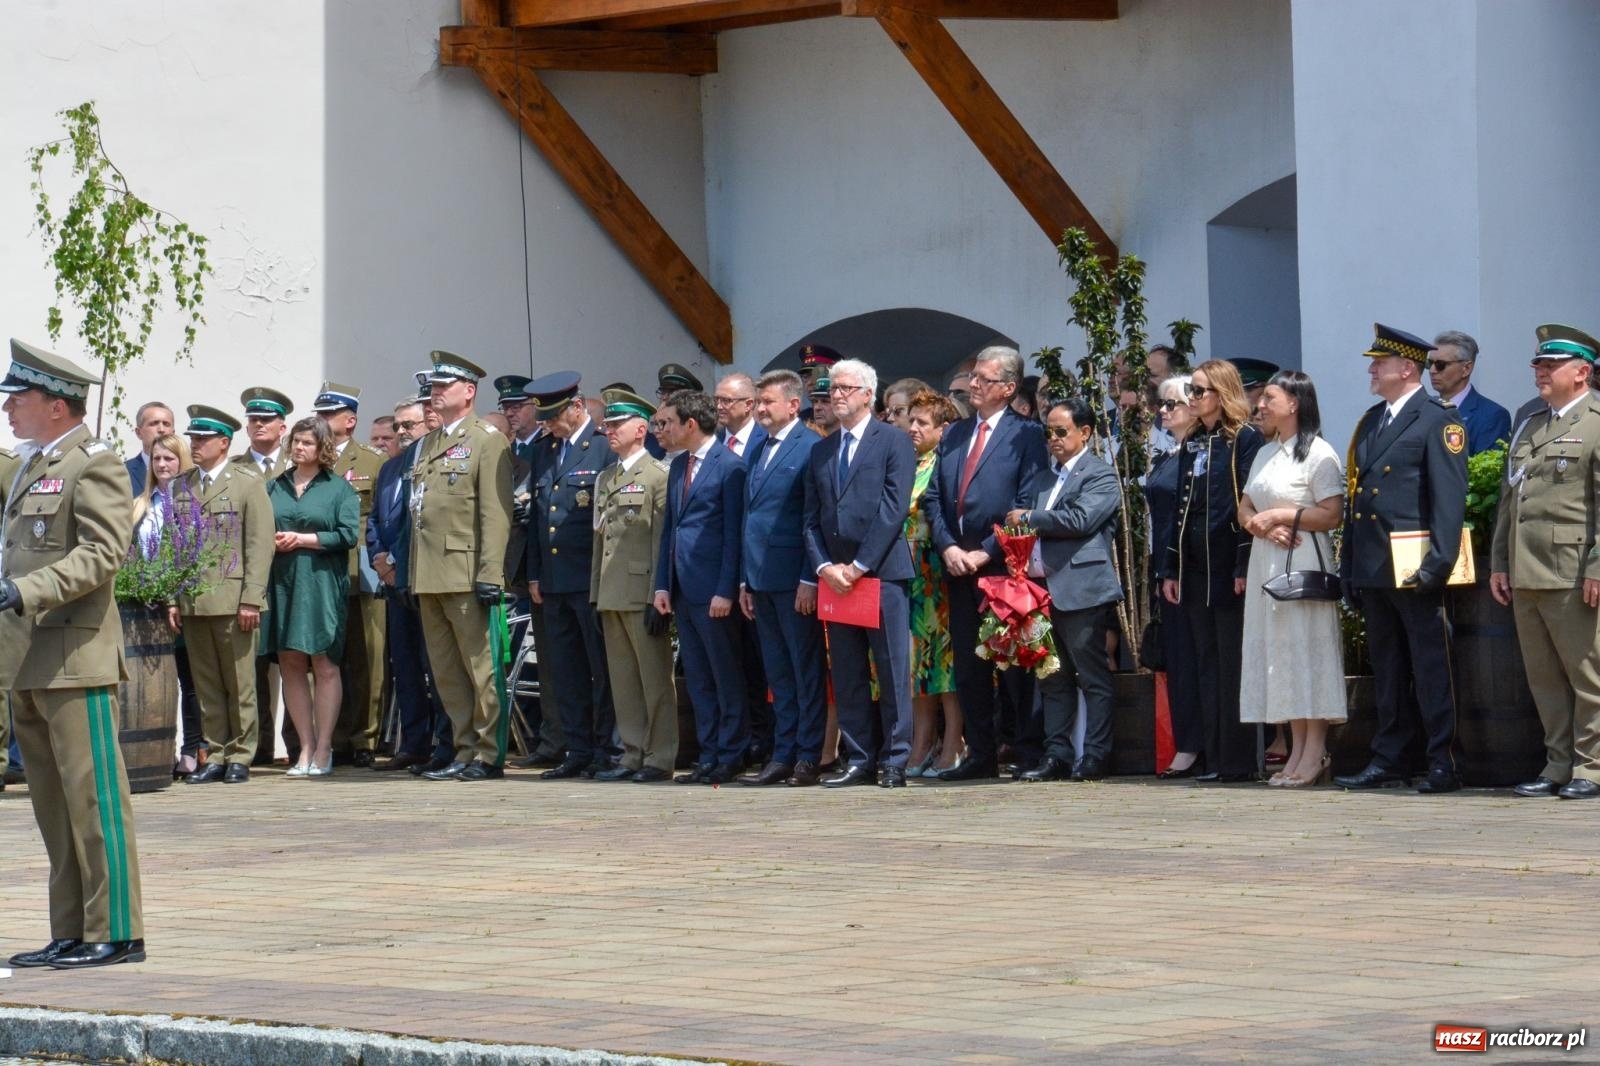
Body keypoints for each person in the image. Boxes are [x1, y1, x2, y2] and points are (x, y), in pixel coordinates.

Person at [1, 338, 144, 969]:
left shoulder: (95, 465)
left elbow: (103, 553)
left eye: (19, 398)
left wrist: (24, 590)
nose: (8, 409)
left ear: (56, 405)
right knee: (53, 807)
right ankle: (71, 929)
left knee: (94, 801)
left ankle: (118, 930)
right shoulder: (31, 465)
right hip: (29, 658)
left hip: (74, 657)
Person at [1334, 324, 1469, 795]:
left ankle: (1443, 761)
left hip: (1416, 567)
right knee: (1388, 669)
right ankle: (1390, 758)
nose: (1371, 371)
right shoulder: (1372, 420)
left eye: (1380, 363)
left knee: (1432, 669)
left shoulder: (1438, 420)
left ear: (1406, 368)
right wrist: (1350, 566)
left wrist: (1439, 563)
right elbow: (1357, 499)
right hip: (1376, 566)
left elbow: (1448, 500)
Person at [923, 345, 1050, 780]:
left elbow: (1027, 500)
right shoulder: (956, 433)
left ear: (1009, 388)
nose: (973, 384)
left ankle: (1028, 751)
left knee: (1015, 664)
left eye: (983, 379)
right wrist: (948, 547)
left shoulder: (1026, 434)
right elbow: (934, 497)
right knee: (970, 664)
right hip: (959, 566)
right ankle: (981, 753)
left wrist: (988, 549)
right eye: (973, 377)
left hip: (1002, 568)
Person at [1493, 324, 1600, 800]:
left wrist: (1598, 567)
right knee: (1544, 679)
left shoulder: (1595, 422)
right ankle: (1558, 764)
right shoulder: (1531, 423)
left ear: (1582, 373)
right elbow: (1510, 500)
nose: (1540, 371)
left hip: (1573, 571)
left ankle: (1592, 767)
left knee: (1588, 676)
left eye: (1551, 365)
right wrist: (1500, 562)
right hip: (1527, 569)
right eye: (1538, 364)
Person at [803, 358, 916, 787]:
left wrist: (859, 565)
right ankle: (859, 758)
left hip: (880, 573)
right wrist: (824, 566)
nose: (836, 394)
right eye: (832, 388)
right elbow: (810, 518)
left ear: (868, 395)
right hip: (836, 578)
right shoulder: (822, 449)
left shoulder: (893, 441)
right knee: (848, 671)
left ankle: (895, 759)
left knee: (891, 669)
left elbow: (894, 507)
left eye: (845, 388)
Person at [1237, 371, 1347, 787]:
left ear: (1294, 403)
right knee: (1282, 655)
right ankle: (1297, 748)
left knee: (1306, 653)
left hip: (1303, 562)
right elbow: (1244, 507)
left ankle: (1315, 750)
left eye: (1269, 398)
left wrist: (1283, 515)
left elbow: (1332, 514)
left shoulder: (1319, 453)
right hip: (1267, 561)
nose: (1260, 405)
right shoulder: (1266, 452)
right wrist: (1259, 525)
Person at [1158, 359, 1265, 783]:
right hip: (1194, 566)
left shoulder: (1244, 438)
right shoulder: (1194, 441)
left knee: (1231, 662)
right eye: (1191, 391)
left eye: (1199, 391)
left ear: (1222, 394)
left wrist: (1243, 562)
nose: (1192, 398)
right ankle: (1215, 758)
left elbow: (1248, 505)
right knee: (1205, 661)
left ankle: (1237, 761)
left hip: (1227, 564)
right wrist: (1171, 567)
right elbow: (1180, 510)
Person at [1007, 396, 1123, 781]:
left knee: (1091, 676)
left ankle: (1096, 755)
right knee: (1051, 677)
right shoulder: (1044, 478)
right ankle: (1056, 754)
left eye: (1061, 431)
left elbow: (1081, 519)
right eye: (1049, 432)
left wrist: (1030, 517)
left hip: (1081, 589)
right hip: (1039, 591)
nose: (1053, 439)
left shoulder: (1100, 474)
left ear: (1085, 432)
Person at [412, 352, 514, 781]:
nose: (434, 393)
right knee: (447, 672)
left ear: (468, 391)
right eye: (432, 386)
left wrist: (490, 572)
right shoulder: (430, 441)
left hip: (467, 571)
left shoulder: (487, 440)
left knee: (481, 669)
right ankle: (463, 747)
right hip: (429, 573)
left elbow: (496, 513)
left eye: (443, 386)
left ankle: (489, 754)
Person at [172, 406, 274, 785]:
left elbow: (259, 545)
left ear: (224, 443)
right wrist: (172, 599)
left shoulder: (247, 484)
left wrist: (252, 598)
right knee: (207, 684)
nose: (195, 445)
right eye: (193, 438)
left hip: (233, 600)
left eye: (203, 439)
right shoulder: (181, 486)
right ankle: (215, 753)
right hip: (194, 601)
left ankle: (241, 754)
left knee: (239, 682)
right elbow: (173, 546)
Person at [653, 390, 749, 785]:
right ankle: (708, 754)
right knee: (698, 677)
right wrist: (662, 584)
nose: (663, 430)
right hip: (683, 589)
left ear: (690, 424)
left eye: (668, 423)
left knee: (725, 675)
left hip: (713, 591)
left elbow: (733, 535)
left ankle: (732, 753)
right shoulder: (680, 465)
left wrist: (725, 589)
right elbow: (670, 530)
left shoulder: (730, 467)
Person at [738, 370, 827, 787]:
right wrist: (745, 580)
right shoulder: (760, 448)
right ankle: (783, 753)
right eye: (757, 402)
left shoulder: (810, 447)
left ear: (793, 405)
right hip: (761, 578)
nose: (760, 409)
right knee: (779, 674)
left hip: (794, 578)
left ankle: (808, 755)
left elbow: (813, 516)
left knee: (805, 670)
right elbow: (751, 516)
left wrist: (810, 577)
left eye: (767, 402)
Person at [526, 371, 617, 779]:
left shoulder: (602, 448)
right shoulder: (546, 451)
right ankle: (576, 748)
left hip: (588, 578)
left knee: (600, 668)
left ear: (577, 407)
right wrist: (534, 573)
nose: (548, 424)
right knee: (566, 670)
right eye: (544, 418)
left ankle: (605, 750)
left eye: (554, 416)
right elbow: (537, 518)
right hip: (554, 580)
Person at [262, 417, 359, 778]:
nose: (299, 448)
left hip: (320, 582)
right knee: (290, 662)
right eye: (296, 442)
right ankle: (304, 745)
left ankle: (324, 747)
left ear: (322, 448)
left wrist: (304, 539)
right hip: (283, 581)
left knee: (324, 662)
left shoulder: (339, 488)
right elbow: (258, 527)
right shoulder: (275, 486)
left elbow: (348, 534)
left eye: (307, 443)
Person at [590, 389, 678, 783]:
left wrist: (658, 593)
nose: (609, 431)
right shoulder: (607, 477)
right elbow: (601, 541)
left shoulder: (658, 475)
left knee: (654, 680)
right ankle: (632, 753)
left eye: (617, 424)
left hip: (643, 591)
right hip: (612, 592)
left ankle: (660, 756)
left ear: (641, 429)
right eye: (607, 425)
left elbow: (662, 540)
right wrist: (596, 593)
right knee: (624, 681)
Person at [367, 398, 451, 773]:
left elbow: (419, 523)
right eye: (397, 426)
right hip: (393, 583)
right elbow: (375, 519)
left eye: (408, 425)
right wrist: (379, 558)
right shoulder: (390, 468)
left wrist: (397, 562)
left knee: (438, 664)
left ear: (427, 424)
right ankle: (414, 743)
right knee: (405, 666)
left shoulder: (431, 463)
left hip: (425, 578)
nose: (401, 432)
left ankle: (446, 744)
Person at [311, 382, 386, 767]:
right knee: (326, 656)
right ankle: (333, 738)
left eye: (329, 414)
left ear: (350, 421)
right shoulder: (307, 460)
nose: (321, 420)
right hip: (318, 570)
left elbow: (381, 516)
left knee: (366, 656)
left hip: (360, 569)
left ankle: (364, 738)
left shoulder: (372, 461)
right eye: (319, 414)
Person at [129, 433, 206, 776]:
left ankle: (192, 750)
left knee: (189, 678)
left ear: (182, 462)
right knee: (155, 680)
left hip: (181, 599)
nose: (162, 465)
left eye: (169, 459)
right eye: (157, 459)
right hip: (146, 603)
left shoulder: (191, 501)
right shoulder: (140, 504)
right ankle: (161, 750)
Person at [1144, 375, 1204, 777]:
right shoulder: (1168, 455)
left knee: (1193, 659)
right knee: (1178, 659)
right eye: (1160, 404)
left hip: (1191, 568)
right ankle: (1186, 741)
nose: (1163, 411)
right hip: (1164, 567)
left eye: (1171, 404)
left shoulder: (1200, 454)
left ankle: (1197, 744)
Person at [902, 389, 963, 776]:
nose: (912, 428)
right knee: (917, 663)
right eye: (910, 420)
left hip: (938, 575)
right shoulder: (906, 463)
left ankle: (955, 739)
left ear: (943, 428)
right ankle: (921, 740)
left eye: (921, 422)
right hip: (908, 578)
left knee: (945, 662)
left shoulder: (946, 463)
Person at [232, 386, 294, 765]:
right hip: (248, 575)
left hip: (290, 574)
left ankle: (298, 744)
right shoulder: (235, 467)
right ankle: (257, 747)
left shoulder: (300, 463)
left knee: (294, 661)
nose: (258, 424)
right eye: (253, 419)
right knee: (251, 663)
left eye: (266, 419)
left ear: (282, 426)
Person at [714, 371, 770, 765]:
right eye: (717, 400)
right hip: (722, 571)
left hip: (758, 570)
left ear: (749, 405)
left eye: (727, 400)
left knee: (762, 661)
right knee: (735, 664)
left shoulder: (764, 442)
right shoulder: (717, 444)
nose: (719, 407)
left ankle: (768, 739)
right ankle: (746, 739)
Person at [1429, 330, 1512, 456]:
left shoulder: (1492, 416)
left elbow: (1486, 466)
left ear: (1466, 368)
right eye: (1429, 363)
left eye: (1440, 365)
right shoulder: (1425, 409)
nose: (1432, 370)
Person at [124, 400, 174, 496]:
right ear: (139, 433)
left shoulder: (188, 475)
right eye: (154, 423)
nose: (161, 429)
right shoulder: (123, 473)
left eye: (166, 424)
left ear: (173, 433)